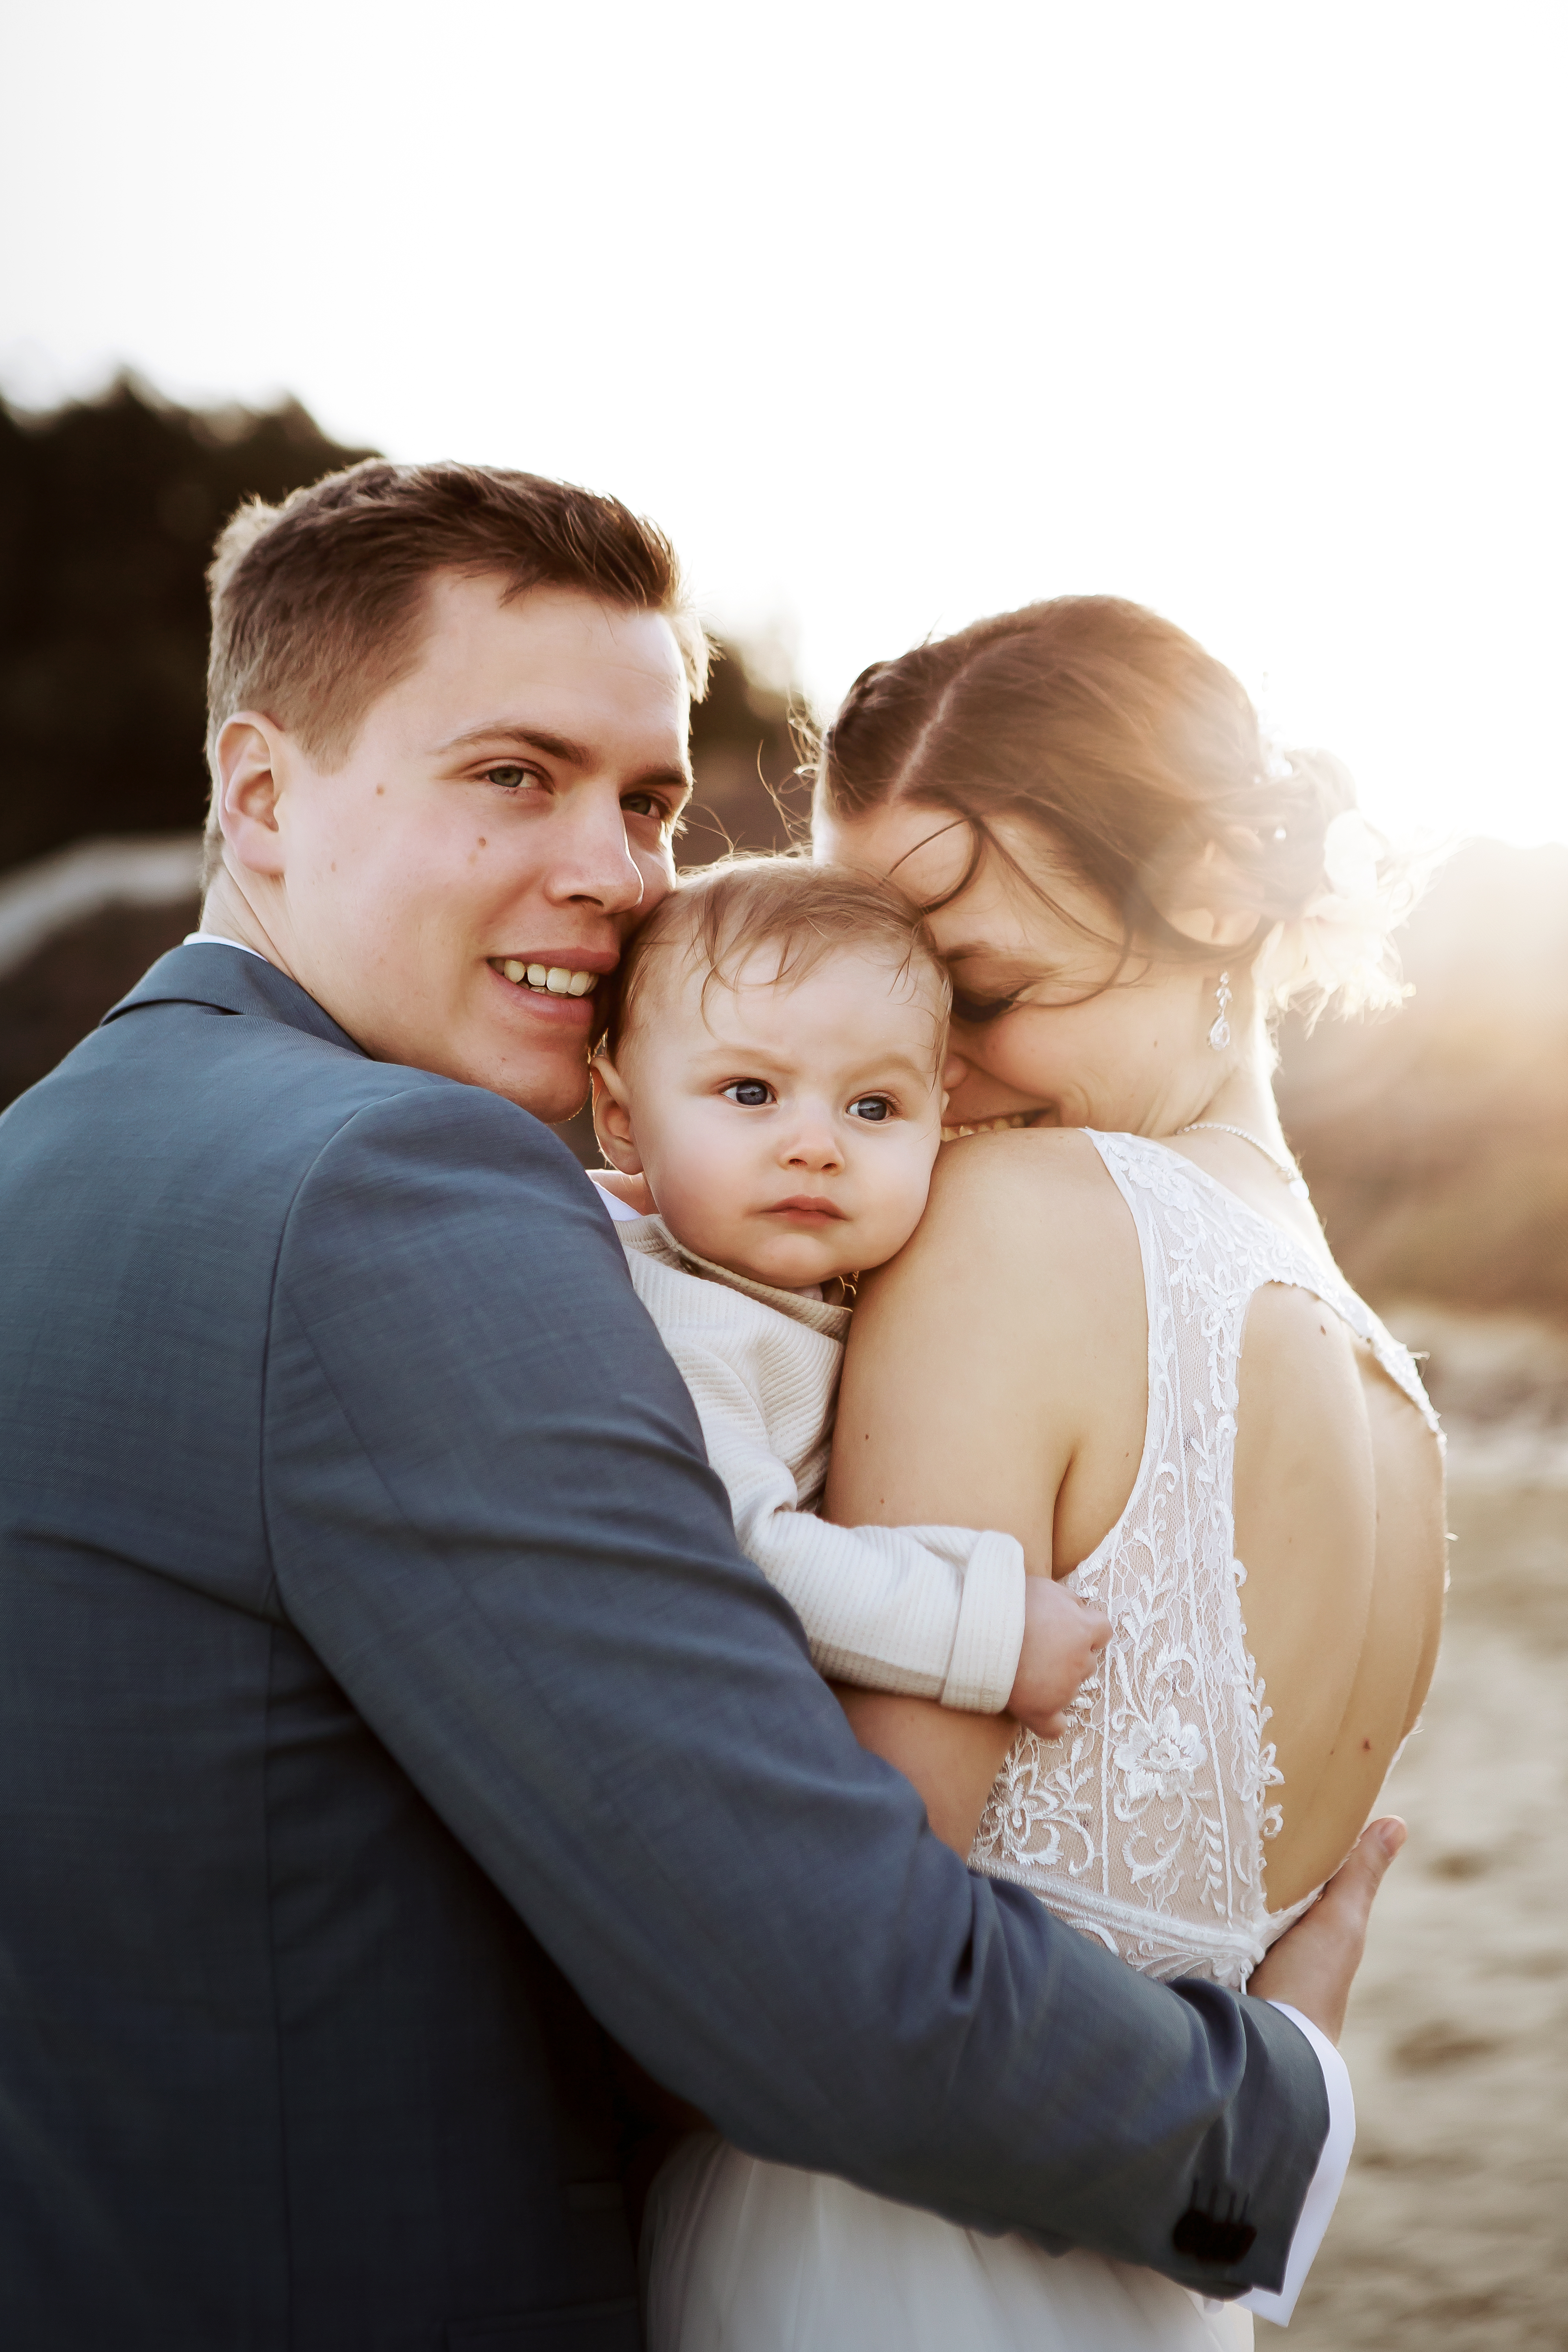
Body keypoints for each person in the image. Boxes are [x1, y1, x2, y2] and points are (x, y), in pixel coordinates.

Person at [0, 471, 1394, 2351]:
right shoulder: (399, 1185)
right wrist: (1274, 2105)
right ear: (257, 790)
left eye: (649, 798)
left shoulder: (49, 1149)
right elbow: (801, 1968)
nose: (618, 871)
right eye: (515, 773)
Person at [640, 594, 1442, 2351]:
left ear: (1219, 888)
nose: (924, 1074)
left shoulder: (1015, 1221)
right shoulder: (1381, 1375)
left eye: (975, 990)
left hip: (871, 2256)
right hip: (1159, 2283)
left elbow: (857, 1940)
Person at [587, 854, 1111, 1741]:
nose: (816, 1145)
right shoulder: (679, 1321)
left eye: (872, 1106)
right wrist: (987, 1632)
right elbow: (743, 1555)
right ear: (622, 1118)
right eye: (749, 1092)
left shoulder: (851, 1296)